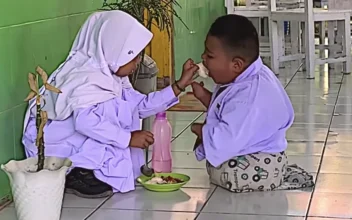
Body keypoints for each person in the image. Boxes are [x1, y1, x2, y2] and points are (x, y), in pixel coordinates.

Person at [22, 11, 199, 198]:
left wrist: (179, 86)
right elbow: (85, 123)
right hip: (59, 146)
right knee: (107, 136)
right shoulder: (87, 79)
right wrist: (127, 138)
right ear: (115, 50)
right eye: (133, 56)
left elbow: (138, 106)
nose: (138, 62)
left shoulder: (113, 77)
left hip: (83, 138)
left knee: (114, 143)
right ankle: (78, 172)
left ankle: (91, 170)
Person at [191, 14, 314, 193]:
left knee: (228, 169)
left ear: (236, 65)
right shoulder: (249, 74)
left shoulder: (248, 96)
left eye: (209, 55)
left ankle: (273, 177)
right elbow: (227, 111)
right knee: (217, 163)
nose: (203, 58)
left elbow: (227, 139)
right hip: (270, 156)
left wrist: (200, 130)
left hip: (262, 163)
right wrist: (202, 95)